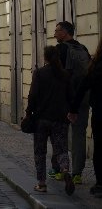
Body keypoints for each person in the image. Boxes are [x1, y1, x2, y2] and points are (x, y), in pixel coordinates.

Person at [27, 45, 74, 195]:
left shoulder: (39, 73)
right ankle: (65, 170)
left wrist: (28, 112)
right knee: (61, 149)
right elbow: (70, 96)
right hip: (60, 119)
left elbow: (33, 95)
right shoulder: (65, 75)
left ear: (45, 57)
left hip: (41, 119)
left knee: (40, 152)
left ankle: (41, 183)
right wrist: (72, 112)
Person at [49, 21, 91, 185]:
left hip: (65, 99)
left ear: (65, 32)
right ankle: (77, 173)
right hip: (83, 98)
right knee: (79, 135)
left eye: (57, 31)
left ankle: (60, 170)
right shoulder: (83, 49)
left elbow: (54, 76)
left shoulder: (60, 49)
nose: (54, 34)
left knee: (59, 134)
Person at [69, 37, 102, 197]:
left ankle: (100, 183)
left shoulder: (96, 65)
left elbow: (83, 87)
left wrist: (73, 109)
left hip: (100, 113)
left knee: (99, 149)